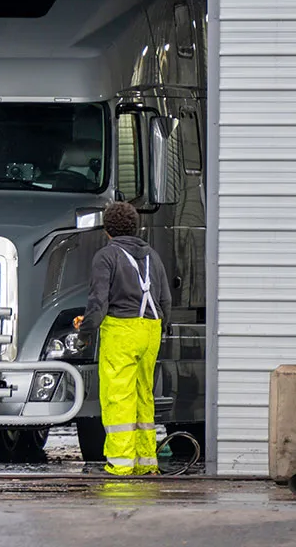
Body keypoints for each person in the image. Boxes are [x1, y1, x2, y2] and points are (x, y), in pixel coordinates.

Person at [76, 201, 171, 476]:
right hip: (150, 330)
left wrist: (85, 333)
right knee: (144, 395)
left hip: (121, 331)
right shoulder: (152, 254)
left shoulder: (106, 257)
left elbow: (98, 302)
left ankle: (120, 464)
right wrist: (158, 329)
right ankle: (146, 462)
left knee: (119, 396)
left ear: (107, 230)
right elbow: (165, 299)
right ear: (136, 226)